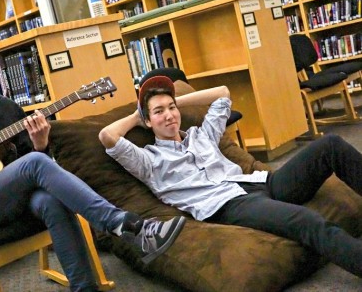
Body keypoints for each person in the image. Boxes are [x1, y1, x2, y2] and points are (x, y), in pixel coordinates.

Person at [0, 30, 186, 292]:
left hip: (17, 203)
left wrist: (41, 144)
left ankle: (86, 287)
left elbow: (39, 168)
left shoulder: (5, 109)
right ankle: (125, 225)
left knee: (49, 198)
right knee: (34, 164)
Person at [98, 71, 362, 278]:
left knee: (330, 146)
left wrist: (173, 100)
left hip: (259, 183)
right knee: (307, 220)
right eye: (158, 112)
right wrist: (138, 113)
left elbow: (222, 94)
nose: (169, 116)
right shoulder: (149, 160)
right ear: (147, 121)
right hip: (230, 205)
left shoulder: (201, 136)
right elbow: (107, 136)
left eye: (171, 108)